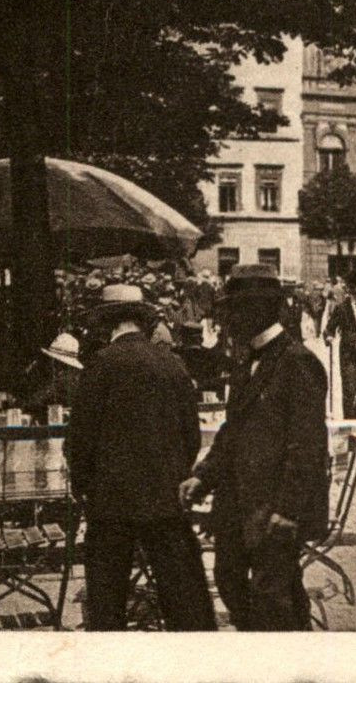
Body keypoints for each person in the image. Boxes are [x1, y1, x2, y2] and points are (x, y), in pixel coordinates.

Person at [183, 264, 331, 632]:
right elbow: (232, 432)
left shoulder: (297, 362)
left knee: (272, 597)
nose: (227, 319)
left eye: (234, 310)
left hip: (275, 508)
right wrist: (202, 477)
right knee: (231, 582)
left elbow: (307, 447)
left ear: (258, 310)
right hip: (237, 504)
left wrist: (288, 510)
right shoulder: (246, 361)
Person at [67, 283, 215, 632]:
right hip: (165, 498)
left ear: (106, 325)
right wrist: (174, 473)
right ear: (143, 321)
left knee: (107, 600)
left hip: (111, 502)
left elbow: (80, 441)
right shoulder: (172, 364)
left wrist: (86, 486)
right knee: (181, 596)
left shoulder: (99, 366)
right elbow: (191, 436)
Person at [324, 281, 356, 418]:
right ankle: (349, 422)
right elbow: (329, 328)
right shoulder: (342, 308)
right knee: (349, 389)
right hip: (348, 354)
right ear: (350, 291)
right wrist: (329, 337)